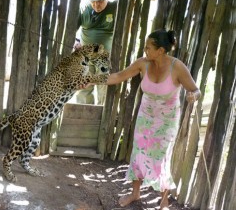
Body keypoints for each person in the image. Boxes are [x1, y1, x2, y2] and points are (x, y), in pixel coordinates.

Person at [82, 29, 201, 209]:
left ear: (160, 50)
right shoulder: (142, 64)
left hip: (167, 120)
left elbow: (195, 89)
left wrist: (194, 96)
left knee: (161, 158)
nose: (145, 50)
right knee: (138, 154)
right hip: (145, 117)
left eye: (148, 48)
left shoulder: (177, 67)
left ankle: (163, 202)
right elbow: (118, 76)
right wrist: (93, 79)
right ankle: (135, 193)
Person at [75, 0, 117, 105]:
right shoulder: (84, 9)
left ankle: (101, 115)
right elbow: (73, 27)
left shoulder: (114, 7)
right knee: (84, 87)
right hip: (86, 57)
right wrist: (76, 40)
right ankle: (83, 115)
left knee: (103, 86)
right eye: (93, 2)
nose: (96, 5)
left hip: (105, 58)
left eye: (100, 1)